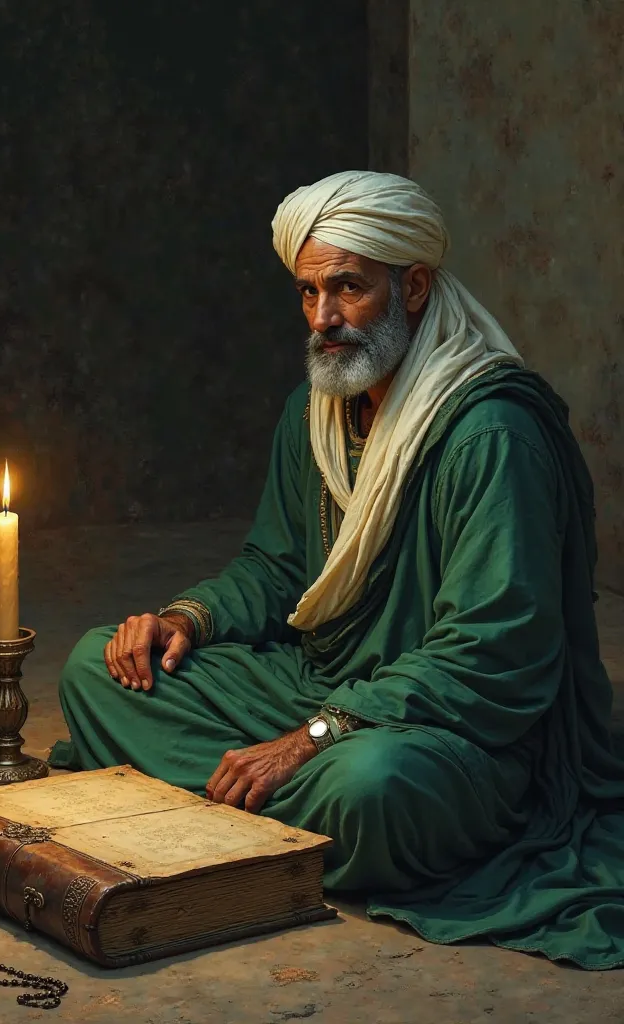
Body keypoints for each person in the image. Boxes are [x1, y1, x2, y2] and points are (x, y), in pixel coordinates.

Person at [50, 171, 624, 970]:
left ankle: (236, 807)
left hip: (447, 728)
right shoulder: (314, 412)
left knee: (373, 790)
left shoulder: (490, 432)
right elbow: (276, 569)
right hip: (318, 679)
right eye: (309, 292)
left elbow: (499, 652)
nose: (323, 319)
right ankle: (267, 815)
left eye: (349, 288)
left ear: (413, 286)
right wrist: (187, 621)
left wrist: (314, 737)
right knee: (96, 666)